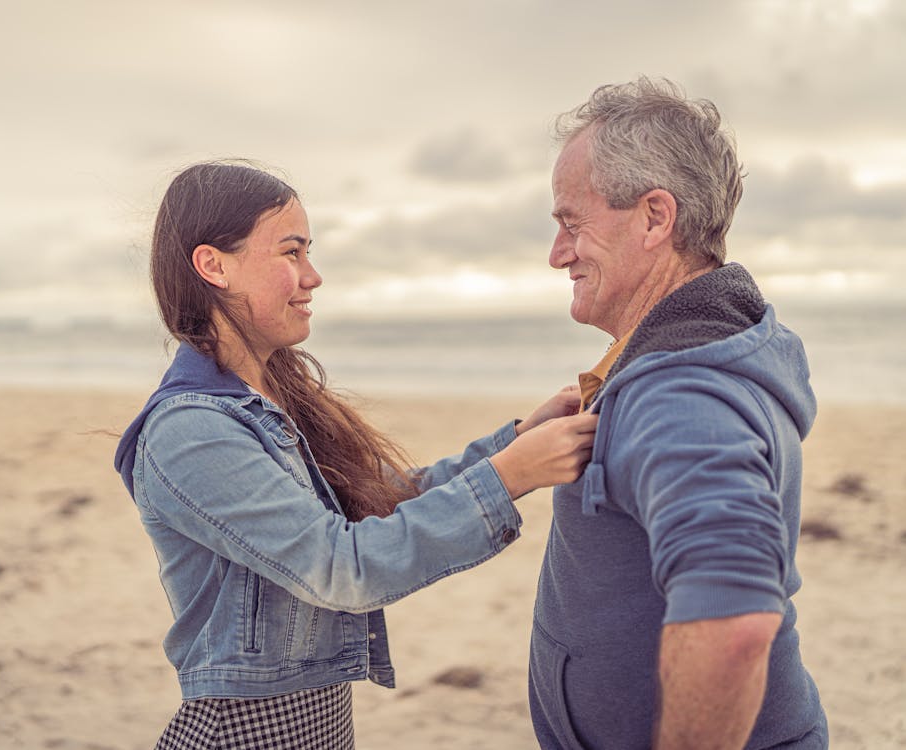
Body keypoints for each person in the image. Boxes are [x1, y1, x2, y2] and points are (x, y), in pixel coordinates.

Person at [113, 161, 598, 749]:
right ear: (214, 265)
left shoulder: (270, 397)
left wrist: (512, 443)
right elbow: (341, 568)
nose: (312, 276)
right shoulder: (190, 430)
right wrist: (510, 477)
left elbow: (381, 501)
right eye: (290, 253)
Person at [528, 77, 828, 749]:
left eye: (570, 224)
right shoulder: (672, 361)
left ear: (654, 218)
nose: (557, 254)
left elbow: (734, 621)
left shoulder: (679, 394)